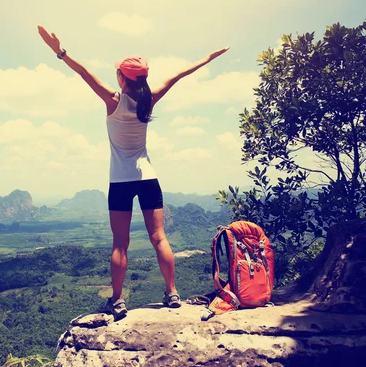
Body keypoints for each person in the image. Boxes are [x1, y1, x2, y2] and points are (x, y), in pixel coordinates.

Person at [38, 25, 228, 319]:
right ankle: (172, 293)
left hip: (121, 181)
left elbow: (84, 73)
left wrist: (59, 52)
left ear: (122, 78)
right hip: (148, 178)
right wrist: (207, 58)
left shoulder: (114, 101)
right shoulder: (149, 100)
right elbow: (178, 75)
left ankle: (117, 301)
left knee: (120, 243)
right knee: (160, 238)